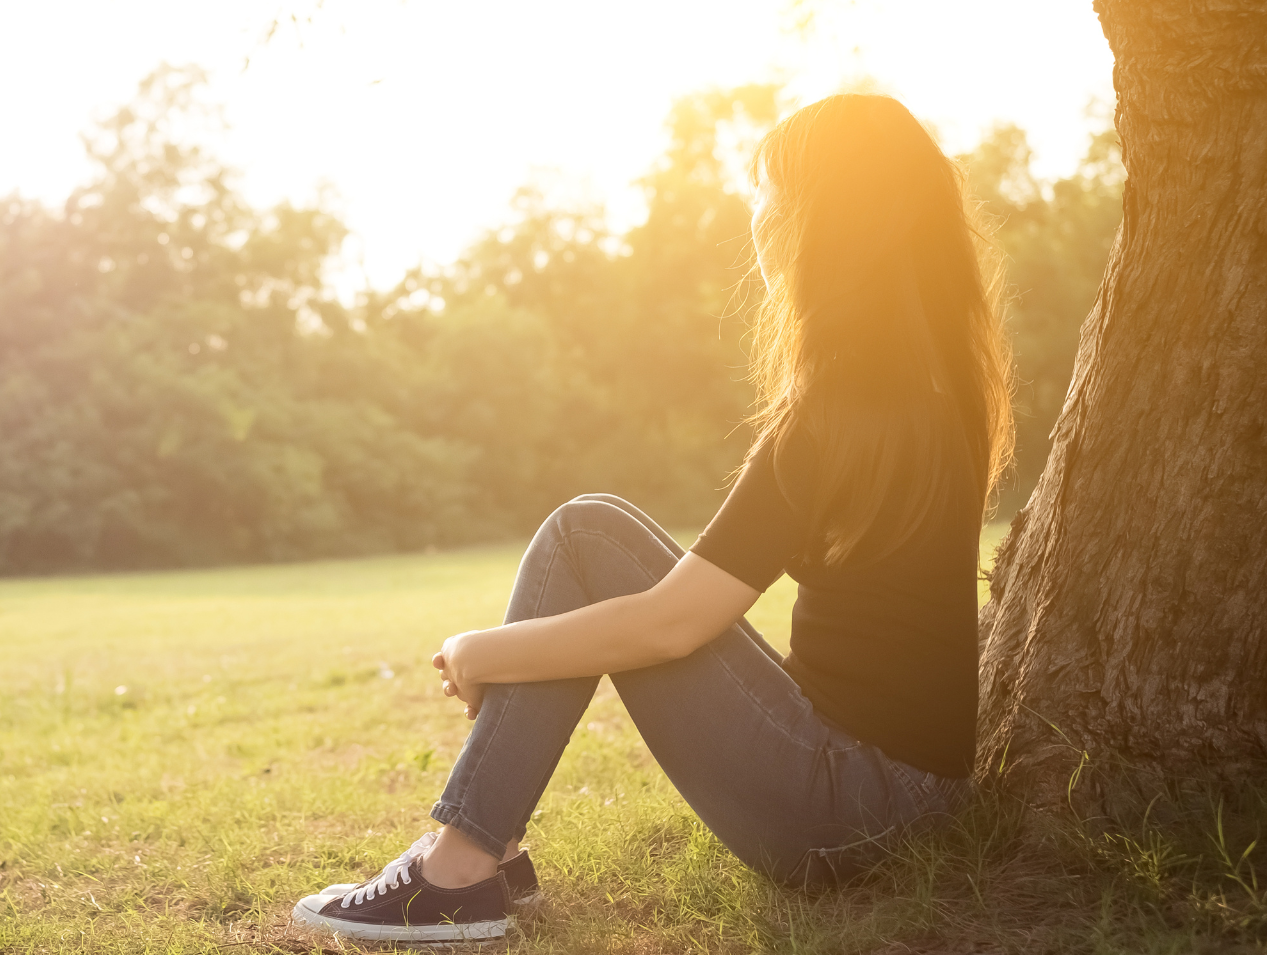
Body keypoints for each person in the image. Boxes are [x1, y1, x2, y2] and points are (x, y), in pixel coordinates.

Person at [292, 93, 1015, 943]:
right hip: (908, 798)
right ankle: (483, 848)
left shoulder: (839, 413)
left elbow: (672, 624)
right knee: (593, 531)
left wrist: (479, 651)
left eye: (772, 197)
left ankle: (460, 867)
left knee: (585, 535)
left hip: (844, 806)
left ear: (826, 225)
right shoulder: (943, 391)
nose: (758, 220)